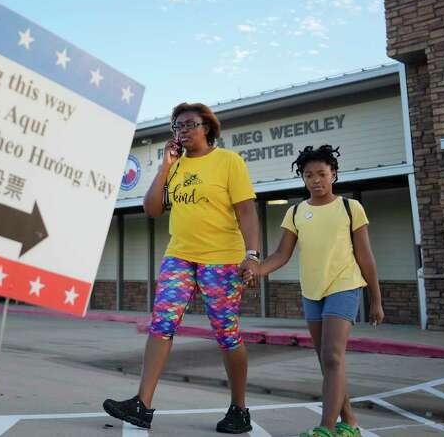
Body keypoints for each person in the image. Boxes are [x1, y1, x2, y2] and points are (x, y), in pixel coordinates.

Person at [103, 102, 260, 433]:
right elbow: (152, 209)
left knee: (226, 331)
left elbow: (246, 211)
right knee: (161, 323)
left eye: (189, 124)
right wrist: (164, 166)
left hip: (221, 259)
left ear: (207, 128)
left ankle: (239, 409)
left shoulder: (229, 162)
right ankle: (141, 405)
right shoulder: (175, 166)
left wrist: (253, 254)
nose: (182, 130)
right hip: (180, 255)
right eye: (176, 126)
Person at [240, 145, 384, 437]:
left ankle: (326, 428)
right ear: (302, 179)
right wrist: (256, 269)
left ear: (334, 175)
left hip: (343, 285)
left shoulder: (350, 208)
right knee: (327, 360)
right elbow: (281, 255)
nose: (316, 180)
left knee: (332, 356)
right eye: (309, 175)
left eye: (322, 174)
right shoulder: (296, 212)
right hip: (311, 292)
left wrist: (376, 299)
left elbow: (365, 255)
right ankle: (350, 422)